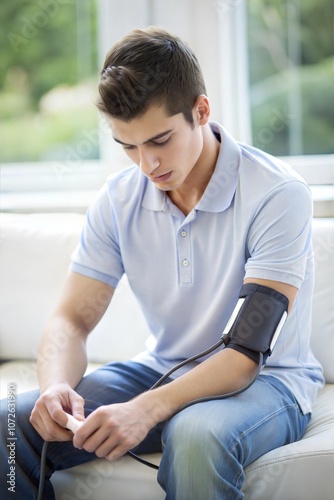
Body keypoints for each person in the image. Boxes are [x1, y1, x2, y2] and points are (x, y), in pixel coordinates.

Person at [0, 26, 324, 500]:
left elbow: (244, 354)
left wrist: (147, 409)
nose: (146, 165)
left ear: (201, 110)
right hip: (162, 368)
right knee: (11, 424)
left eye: (160, 140)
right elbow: (71, 319)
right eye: (128, 147)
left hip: (266, 381)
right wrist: (54, 388)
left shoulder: (278, 194)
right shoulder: (118, 200)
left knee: (195, 434)